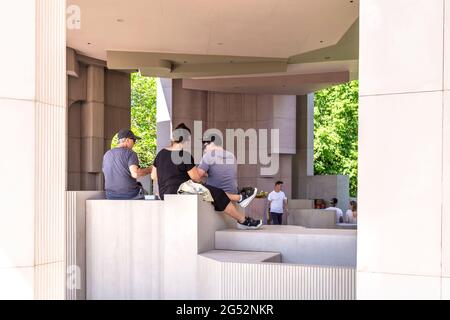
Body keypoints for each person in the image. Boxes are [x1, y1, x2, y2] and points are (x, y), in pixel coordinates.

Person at [151, 123, 262, 230]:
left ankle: (241, 199)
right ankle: (243, 220)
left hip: (163, 193)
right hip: (180, 191)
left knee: (212, 191)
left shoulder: (160, 154)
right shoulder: (184, 155)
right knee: (217, 193)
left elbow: (153, 176)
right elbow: (196, 178)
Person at [197, 132, 257, 208]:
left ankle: (240, 198)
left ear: (212, 143)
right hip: (233, 192)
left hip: (216, 196)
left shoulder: (208, 156)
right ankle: (240, 197)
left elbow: (197, 175)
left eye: (205, 146)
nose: (205, 150)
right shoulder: (232, 156)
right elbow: (221, 173)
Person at [102, 129, 153, 200]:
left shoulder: (107, 154)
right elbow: (135, 174)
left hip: (110, 195)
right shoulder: (130, 153)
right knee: (147, 195)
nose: (134, 143)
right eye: (134, 141)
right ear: (127, 140)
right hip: (129, 195)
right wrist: (150, 169)